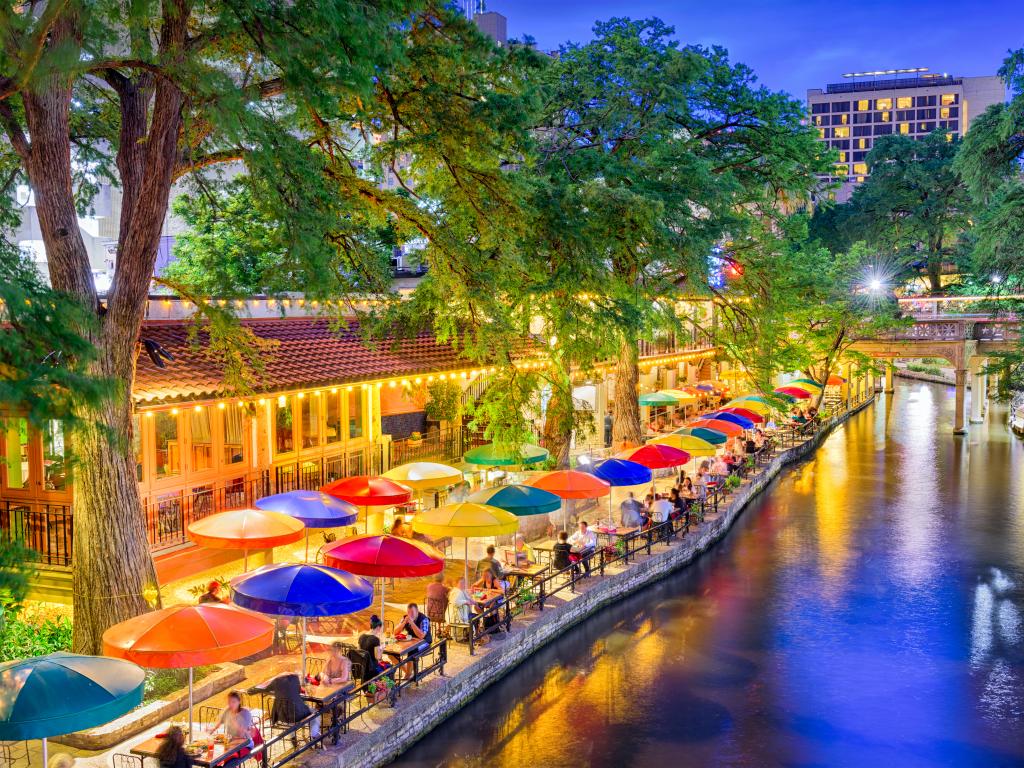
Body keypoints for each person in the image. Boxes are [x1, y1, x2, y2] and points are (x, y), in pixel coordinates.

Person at [268, 673, 319, 740]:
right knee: (316, 713)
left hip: (281, 716)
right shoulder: (295, 679)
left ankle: (293, 737)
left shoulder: (276, 681)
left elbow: (262, 689)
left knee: (291, 713)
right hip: (296, 715)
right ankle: (314, 736)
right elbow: (298, 691)